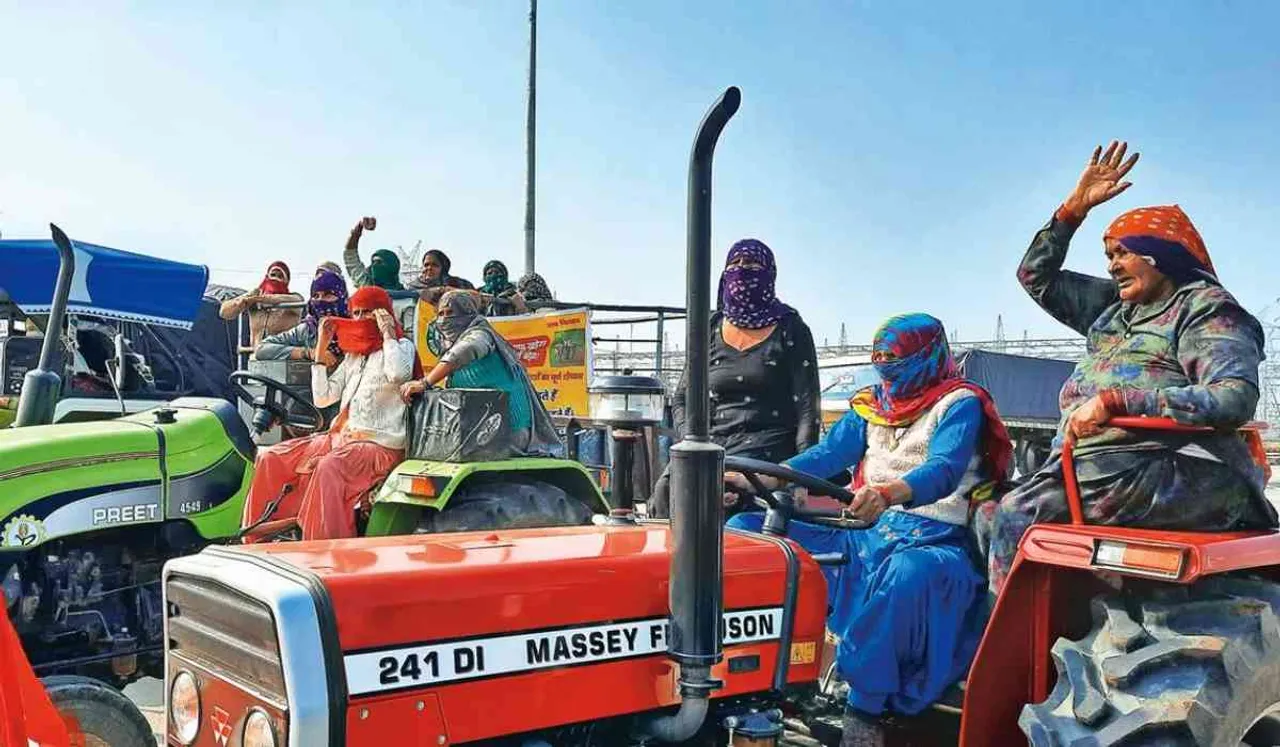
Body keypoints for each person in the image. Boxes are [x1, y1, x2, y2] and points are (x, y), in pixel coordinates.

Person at [974, 141, 1278, 598]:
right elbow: (1036, 277)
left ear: (1162, 254)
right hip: (1094, 466)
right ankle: (1040, 625)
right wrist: (1072, 211)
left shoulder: (1206, 310)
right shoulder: (1114, 310)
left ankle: (1015, 657)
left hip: (1174, 466)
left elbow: (1232, 397)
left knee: (1017, 515)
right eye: (1108, 256)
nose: (1113, 266)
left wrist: (1117, 401)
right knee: (982, 509)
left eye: (1123, 253)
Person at [725, 313, 1013, 747]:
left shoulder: (959, 404)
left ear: (926, 357)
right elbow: (828, 455)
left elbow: (943, 470)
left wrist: (888, 493)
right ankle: (759, 672)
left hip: (931, 538)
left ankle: (864, 711)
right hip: (863, 532)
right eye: (880, 361)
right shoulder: (871, 404)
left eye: (895, 361)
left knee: (906, 574)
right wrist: (762, 478)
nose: (887, 371)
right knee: (748, 534)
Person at [648, 238, 821, 518]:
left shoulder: (791, 328)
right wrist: (692, 442)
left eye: (752, 264)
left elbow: (807, 410)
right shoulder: (710, 327)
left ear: (769, 274)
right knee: (667, 492)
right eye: (735, 264)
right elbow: (682, 397)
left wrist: (801, 478)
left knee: (736, 507)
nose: (742, 270)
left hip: (767, 450)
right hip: (711, 445)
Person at [240, 286, 417, 541]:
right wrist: (321, 346)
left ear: (383, 313)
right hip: (340, 438)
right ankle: (258, 538)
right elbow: (324, 398)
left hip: (378, 446)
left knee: (328, 467)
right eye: (355, 313)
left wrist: (388, 333)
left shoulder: (401, 346)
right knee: (272, 457)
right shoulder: (355, 356)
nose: (359, 319)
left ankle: (323, 548)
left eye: (367, 312)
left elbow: (399, 374)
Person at [399, 290, 560, 455]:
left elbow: (466, 350)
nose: (444, 319)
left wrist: (425, 383)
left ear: (467, 313)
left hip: (510, 428)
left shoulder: (481, 334)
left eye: (451, 312)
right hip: (483, 429)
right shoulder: (454, 342)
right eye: (441, 314)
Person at [344, 216, 474, 293]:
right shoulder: (367, 285)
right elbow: (350, 256)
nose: (429, 268)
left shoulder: (405, 294)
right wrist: (358, 229)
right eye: (426, 265)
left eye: (434, 265)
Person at [255, 270, 349, 362]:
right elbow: (262, 349)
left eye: (328, 294)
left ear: (342, 296)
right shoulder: (308, 330)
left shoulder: (357, 326)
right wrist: (308, 353)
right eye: (315, 296)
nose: (320, 301)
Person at [218, 261, 304, 348]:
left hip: (284, 358)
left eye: (280, 276)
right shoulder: (254, 294)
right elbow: (224, 312)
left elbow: (283, 299)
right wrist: (240, 303)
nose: (275, 279)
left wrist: (258, 299)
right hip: (257, 357)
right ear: (266, 277)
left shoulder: (294, 299)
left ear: (287, 281)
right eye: (273, 275)